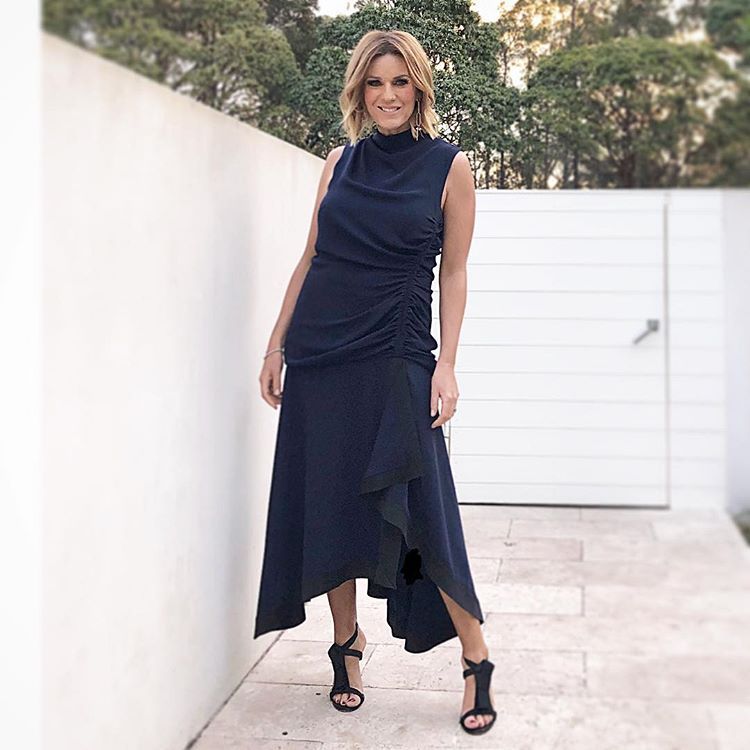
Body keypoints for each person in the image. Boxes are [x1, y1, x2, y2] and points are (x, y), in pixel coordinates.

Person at [254, 29, 496, 736]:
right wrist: (276, 343)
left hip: (397, 349)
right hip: (322, 351)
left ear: (418, 87)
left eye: (399, 82)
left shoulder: (450, 167)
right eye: (374, 83)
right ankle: (346, 645)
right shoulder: (338, 162)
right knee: (330, 499)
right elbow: (312, 257)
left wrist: (447, 363)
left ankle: (475, 656)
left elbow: (454, 271)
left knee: (424, 507)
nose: (388, 96)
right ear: (359, 91)